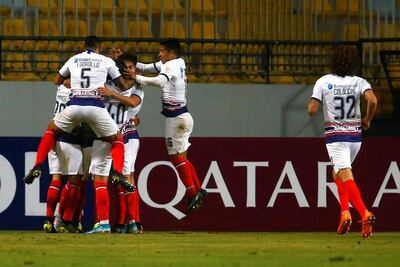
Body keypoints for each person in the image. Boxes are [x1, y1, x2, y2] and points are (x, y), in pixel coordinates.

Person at [23, 36, 135, 193]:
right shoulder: (106, 61)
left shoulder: (73, 59)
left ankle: (37, 165)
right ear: (98, 47)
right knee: (117, 140)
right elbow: (122, 86)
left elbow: (56, 80)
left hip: (75, 106)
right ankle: (117, 172)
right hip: (96, 108)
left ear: (84, 46)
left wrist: (69, 80)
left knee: (51, 131)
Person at [307, 45, 378, 237]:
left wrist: (313, 107)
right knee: (336, 174)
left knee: (346, 178)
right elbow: (373, 101)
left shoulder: (323, 81)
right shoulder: (359, 82)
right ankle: (344, 214)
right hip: (356, 138)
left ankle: (364, 213)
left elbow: (312, 109)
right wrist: (368, 120)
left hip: (336, 137)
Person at [131, 38, 207, 213]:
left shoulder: (171, 65)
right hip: (185, 116)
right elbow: (148, 67)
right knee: (183, 159)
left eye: (162, 51)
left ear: (171, 53)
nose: (160, 54)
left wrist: (136, 78)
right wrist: (131, 65)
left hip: (176, 118)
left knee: (176, 159)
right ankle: (198, 189)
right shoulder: (178, 62)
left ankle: (192, 192)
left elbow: (159, 81)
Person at [87, 53, 143, 234]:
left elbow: (132, 102)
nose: (127, 71)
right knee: (102, 178)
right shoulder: (105, 83)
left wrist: (111, 93)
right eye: (123, 67)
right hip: (105, 136)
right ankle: (106, 222)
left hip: (126, 135)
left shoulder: (137, 87)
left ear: (136, 69)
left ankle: (132, 222)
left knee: (127, 178)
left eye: (130, 67)